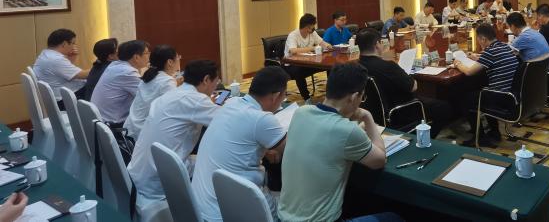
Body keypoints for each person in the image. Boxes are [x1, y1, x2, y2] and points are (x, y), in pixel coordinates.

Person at [278, 63, 399, 222]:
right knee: (394, 217)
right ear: (354, 97)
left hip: (283, 217)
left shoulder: (301, 112)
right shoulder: (347, 131)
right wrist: (368, 117)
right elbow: (380, 160)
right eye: (362, 97)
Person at [192, 66, 289, 222]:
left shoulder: (232, 103)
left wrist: (265, 150)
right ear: (276, 96)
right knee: (290, 210)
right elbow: (290, 151)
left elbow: (240, 138)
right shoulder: (262, 119)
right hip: (230, 211)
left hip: (202, 207)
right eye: (285, 95)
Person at [128, 59, 221, 210]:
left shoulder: (172, 94)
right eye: (216, 82)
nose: (216, 86)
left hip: (140, 173)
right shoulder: (195, 100)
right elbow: (228, 122)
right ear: (206, 80)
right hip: (159, 181)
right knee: (221, 163)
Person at [356, 28, 452, 137]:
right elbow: (413, 86)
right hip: (400, 111)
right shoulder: (388, 66)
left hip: (373, 114)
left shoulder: (356, 67)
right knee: (443, 107)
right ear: (377, 44)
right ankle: (423, 138)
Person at [453, 23, 520, 147]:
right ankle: (495, 132)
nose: (479, 43)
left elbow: (468, 72)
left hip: (500, 96)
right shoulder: (504, 46)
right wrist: (477, 58)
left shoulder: (490, 52)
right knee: (479, 90)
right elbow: (491, 59)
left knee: (466, 99)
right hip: (511, 93)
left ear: (483, 39)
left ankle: (480, 137)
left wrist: (458, 64)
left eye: (478, 39)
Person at [123, 45, 180, 140]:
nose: (179, 60)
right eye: (178, 57)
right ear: (170, 62)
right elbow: (174, 110)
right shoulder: (167, 81)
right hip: (143, 133)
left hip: (131, 128)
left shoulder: (149, 76)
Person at [91, 40, 150, 126]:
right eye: (147, 53)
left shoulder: (115, 65)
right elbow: (147, 97)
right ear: (136, 57)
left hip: (100, 122)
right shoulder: (127, 72)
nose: (149, 55)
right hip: (113, 126)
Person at [32, 28, 90, 102]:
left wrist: (71, 59)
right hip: (67, 100)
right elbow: (83, 75)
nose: (74, 46)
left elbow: (63, 73)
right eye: (73, 43)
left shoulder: (45, 54)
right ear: (64, 44)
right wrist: (101, 65)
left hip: (60, 96)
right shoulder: (55, 59)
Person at [285, 13, 332, 101]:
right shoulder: (293, 35)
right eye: (312, 26)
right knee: (298, 71)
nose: (313, 29)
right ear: (307, 27)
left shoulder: (312, 33)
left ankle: (331, 92)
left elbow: (321, 42)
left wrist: (328, 46)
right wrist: (312, 48)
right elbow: (293, 50)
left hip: (308, 62)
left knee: (329, 66)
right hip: (292, 65)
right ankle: (306, 97)